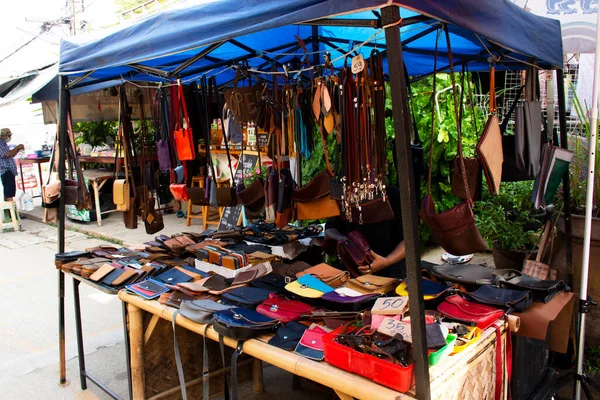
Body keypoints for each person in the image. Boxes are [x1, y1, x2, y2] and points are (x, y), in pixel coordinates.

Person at [325, 187, 406, 279]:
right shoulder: (343, 195)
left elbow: (409, 241)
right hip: (352, 269)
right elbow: (329, 230)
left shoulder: (393, 195)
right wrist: (350, 243)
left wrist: (386, 261)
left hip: (391, 271)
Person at [0, 128, 24, 201]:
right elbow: (6, 154)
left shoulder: (4, 143)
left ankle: (8, 210)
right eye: (9, 135)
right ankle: (12, 211)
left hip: (8, 170)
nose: (10, 137)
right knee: (9, 193)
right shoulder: (0, 143)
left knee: (8, 192)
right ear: (3, 135)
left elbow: (11, 154)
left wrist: (18, 149)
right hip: (6, 170)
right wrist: (17, 147)